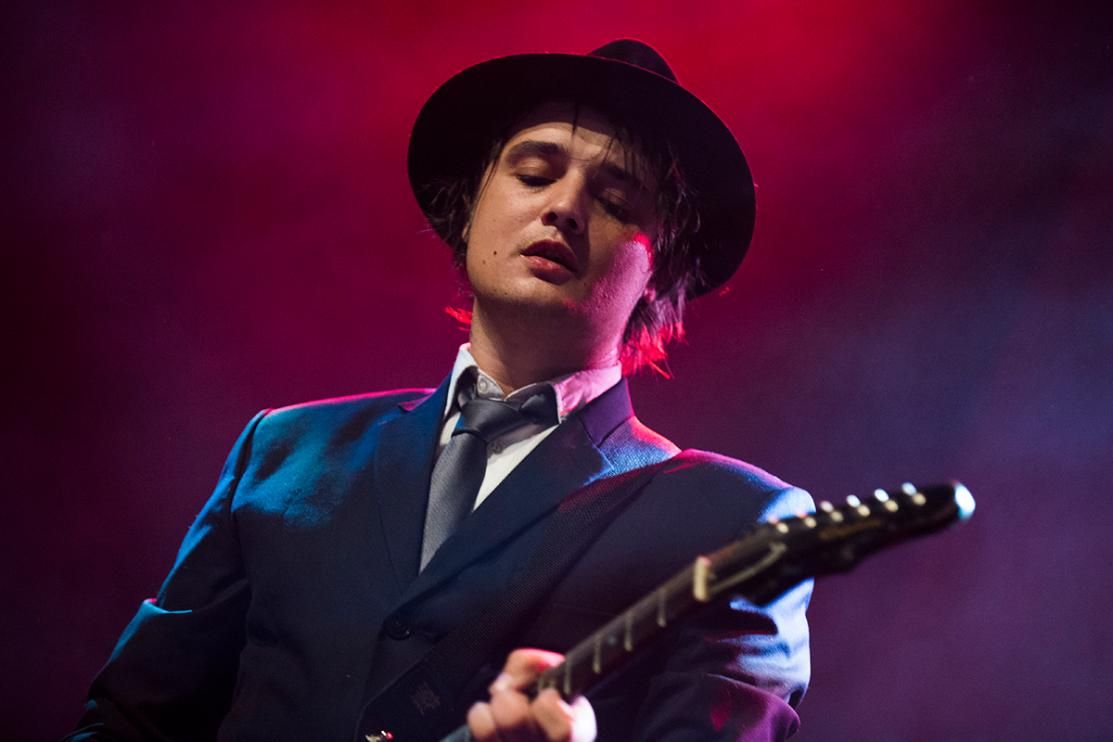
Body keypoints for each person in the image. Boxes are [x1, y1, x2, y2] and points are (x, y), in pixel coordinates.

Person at [68, 40, 812, 741]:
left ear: (660, 270)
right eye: (533, 174)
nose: (564, 207)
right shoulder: (284, 449)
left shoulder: (740, 521)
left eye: (616, 200)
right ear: (469, 208)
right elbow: (129, 721)